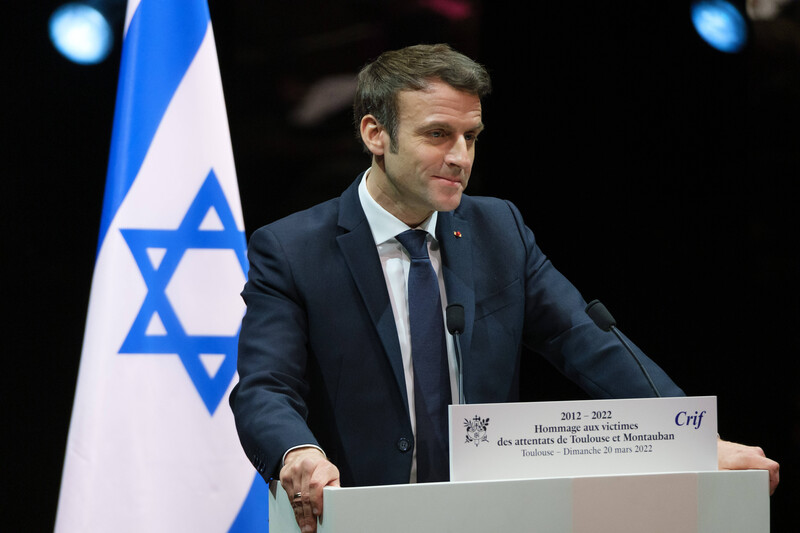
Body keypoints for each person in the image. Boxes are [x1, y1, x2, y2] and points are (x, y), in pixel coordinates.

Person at [230, 43, 779, 533]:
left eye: (471, 137)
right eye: (438, 134)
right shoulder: (293, 248)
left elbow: (584, 340)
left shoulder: (500, 230)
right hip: (358, 516)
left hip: (487, 518)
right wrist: (297, 452)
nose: (461, 157)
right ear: (375, 134)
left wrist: (690, 439)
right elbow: (265, 387)